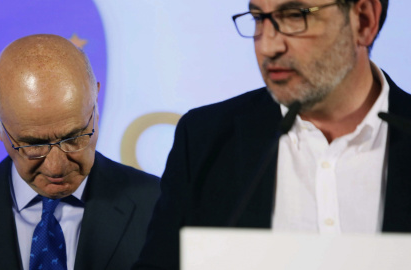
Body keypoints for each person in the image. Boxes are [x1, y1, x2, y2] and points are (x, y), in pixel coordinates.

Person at [133, 0, 411, 269]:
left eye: (294, 16)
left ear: (364, 21)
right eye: (258, 18)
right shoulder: (206, 137)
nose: (268, 46)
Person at [0, 34, 160, 270]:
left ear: (95, 103)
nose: (56, 167)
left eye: (74, 138)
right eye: (33, 144)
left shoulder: (162, 208)